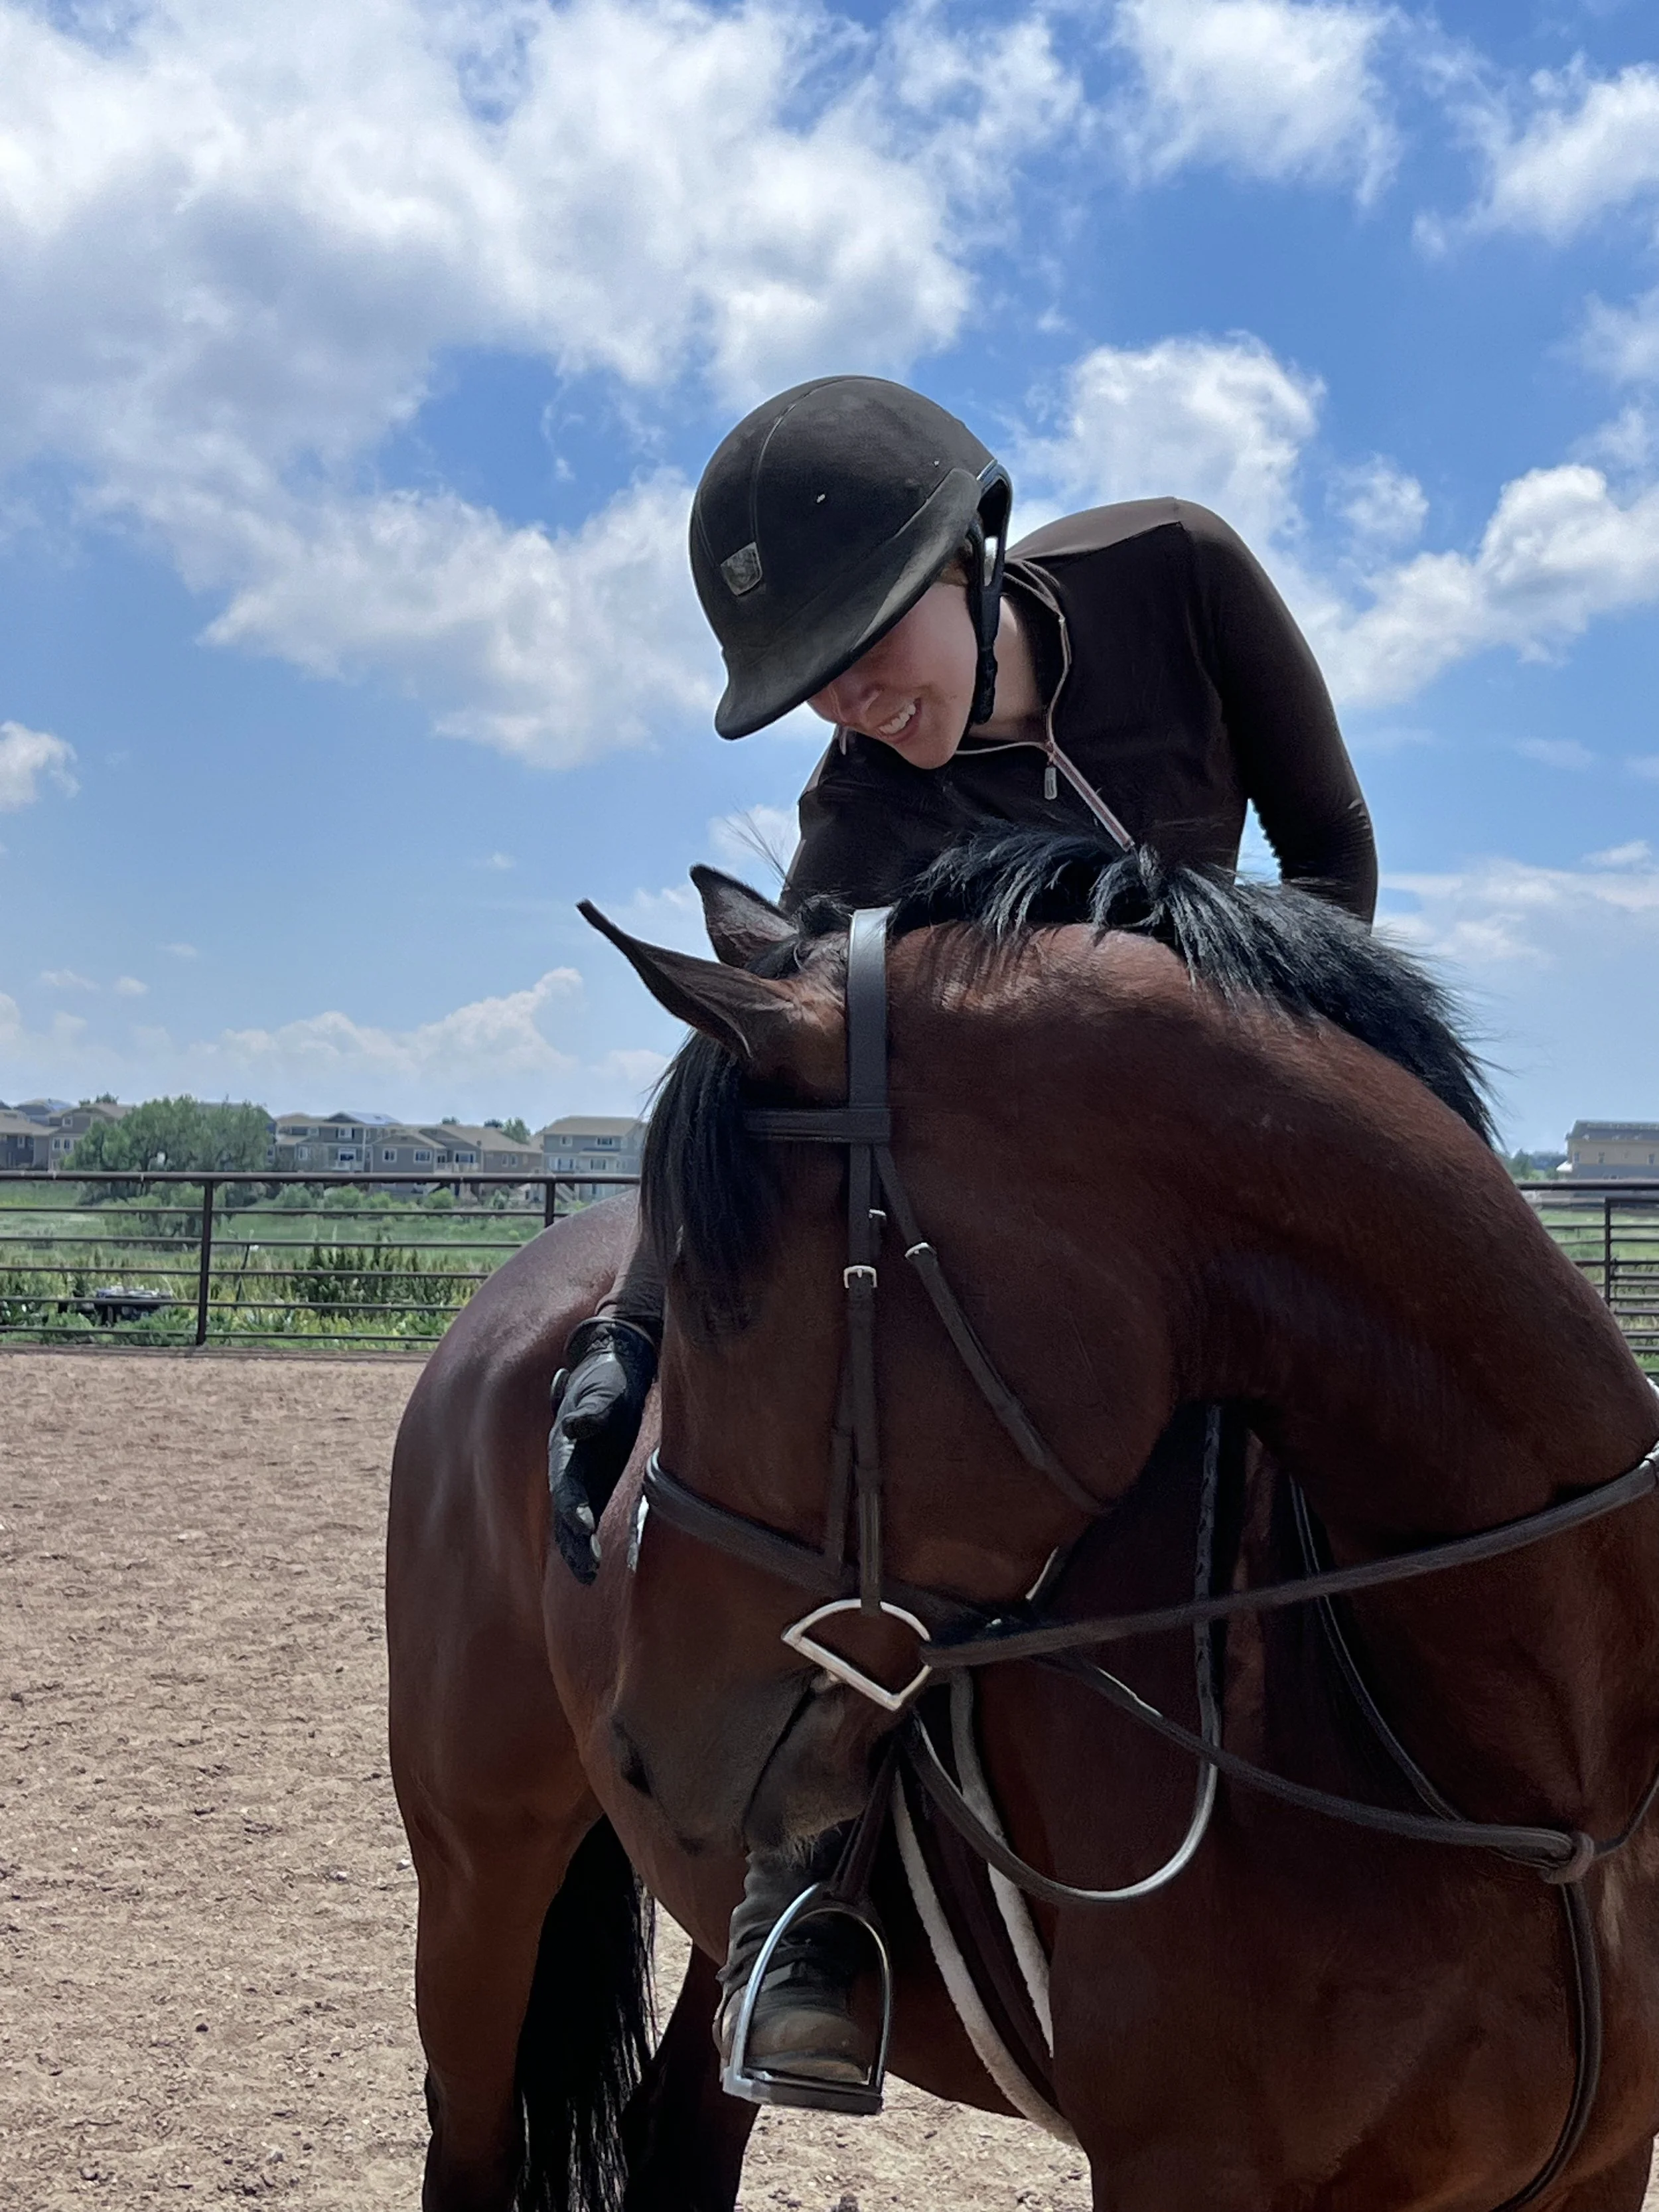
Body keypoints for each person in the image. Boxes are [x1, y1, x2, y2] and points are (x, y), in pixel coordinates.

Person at [546, 375, 1376, 2103]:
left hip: (1246, 1147)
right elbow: (752, 1092)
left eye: (856, 643)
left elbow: (1333, 856)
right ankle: (809, 1901)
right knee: (863, 1492)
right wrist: (628, 1341)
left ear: (967, 553)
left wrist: (1228, 1068)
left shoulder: (1177, 572)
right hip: (1032, 1258)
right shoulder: (853, 821)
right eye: (807, 687)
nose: (847, 703)